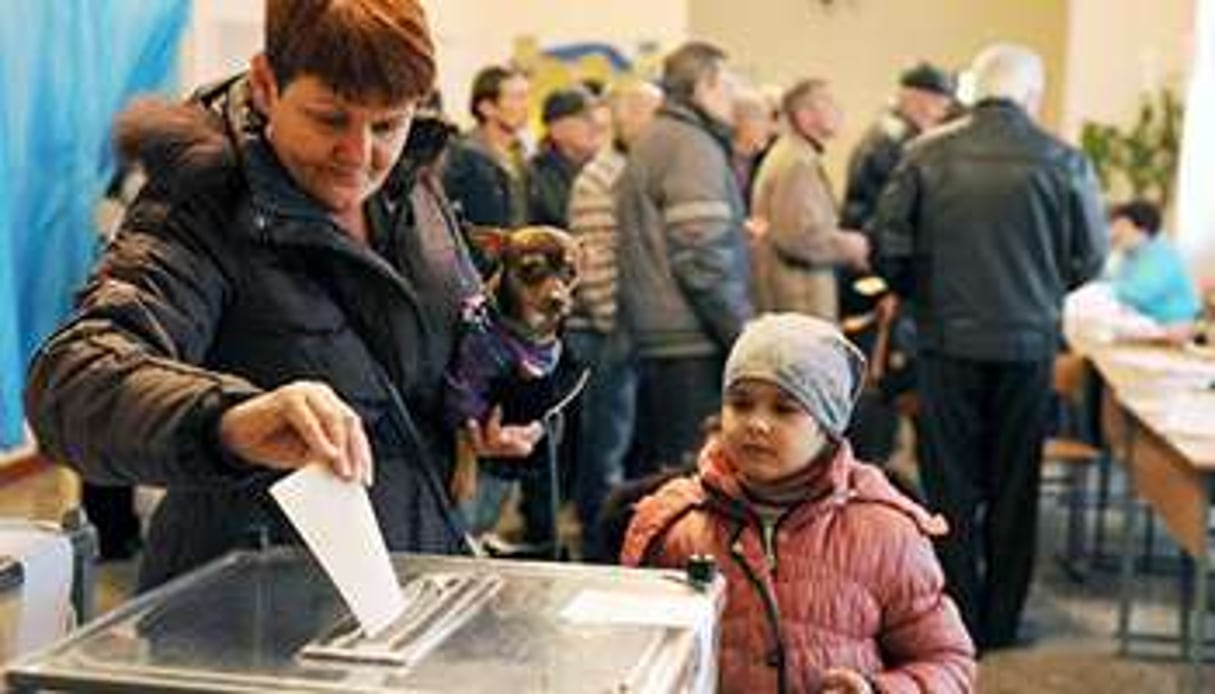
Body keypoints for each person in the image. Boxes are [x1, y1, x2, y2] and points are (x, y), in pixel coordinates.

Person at [24, 0, 541, 591]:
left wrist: (482, 414)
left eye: (387, 124)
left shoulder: (413, 185)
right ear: (267, 84)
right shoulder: (199, 204)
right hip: (251, 610)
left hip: (412, 581)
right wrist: (232, 421)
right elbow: (73, 384)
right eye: (329, 119)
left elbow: (433, 355)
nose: (359, 155)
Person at [870, 43, 1108, 650]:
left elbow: (887, 249)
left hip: (946, 339)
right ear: (1032, 94)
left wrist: (926, 295)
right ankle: (1001, 622)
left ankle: (953, 618)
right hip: (1027, 343)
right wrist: (1039, 291)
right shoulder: (1065, 160)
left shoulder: (925, 153)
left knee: (948, 481)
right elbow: (1089, 258)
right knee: (1013, 484)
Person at [622, 313, 976, 693]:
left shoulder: (887, 533)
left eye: (785, 408)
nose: (756, 423)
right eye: (741, 404)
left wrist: (878, 690)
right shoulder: (675, 525)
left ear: (828, 426)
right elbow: (630, 653)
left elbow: (947, 662)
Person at [616, 41, 755, 478]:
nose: (736, 96)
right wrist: (743, 333)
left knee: (668, 473)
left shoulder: (660, 136)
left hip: (662, 333)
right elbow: (702, 257)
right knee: (693, 478)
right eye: (729, 83)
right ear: (705, 84)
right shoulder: (690, 145)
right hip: (689, 336)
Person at [564, 79, 663, 560]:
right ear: (625, 118)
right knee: (606, 452)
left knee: (634, 448)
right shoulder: (599, 179)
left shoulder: (638, 171)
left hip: (639, 331)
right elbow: (596, 262)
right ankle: (596, 546)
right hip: (610, 334)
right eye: (649, 115)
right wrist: (613, 327)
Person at [750, 78, 870, 321]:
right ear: (805, 116)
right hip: (801, 302)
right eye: (829, 103)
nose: (839, 110)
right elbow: (801, 237)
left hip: (796, 299)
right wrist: (853, 246)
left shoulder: (795, 155)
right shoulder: (798, 162)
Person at [443, 64, 532, 230]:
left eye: (527, 96)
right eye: (517, 97)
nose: (526, 105)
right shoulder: (460, 158)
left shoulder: (522, 156)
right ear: (486, 107)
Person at [1106, 199, 1201, 328]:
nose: (1115, 233)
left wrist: (1105, 290)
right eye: (1114, 226)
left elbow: (1140, 293)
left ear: (1143, 229)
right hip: (1147, 324)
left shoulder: (1162, 253)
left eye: (1122, 226)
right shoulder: (1129, 254)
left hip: (1174, 325)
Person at [527, 86, 600, 228]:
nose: (596, 125)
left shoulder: (601, 169)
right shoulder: (537, 175)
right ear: (556, 130)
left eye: (596, 117)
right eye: (585, 118)